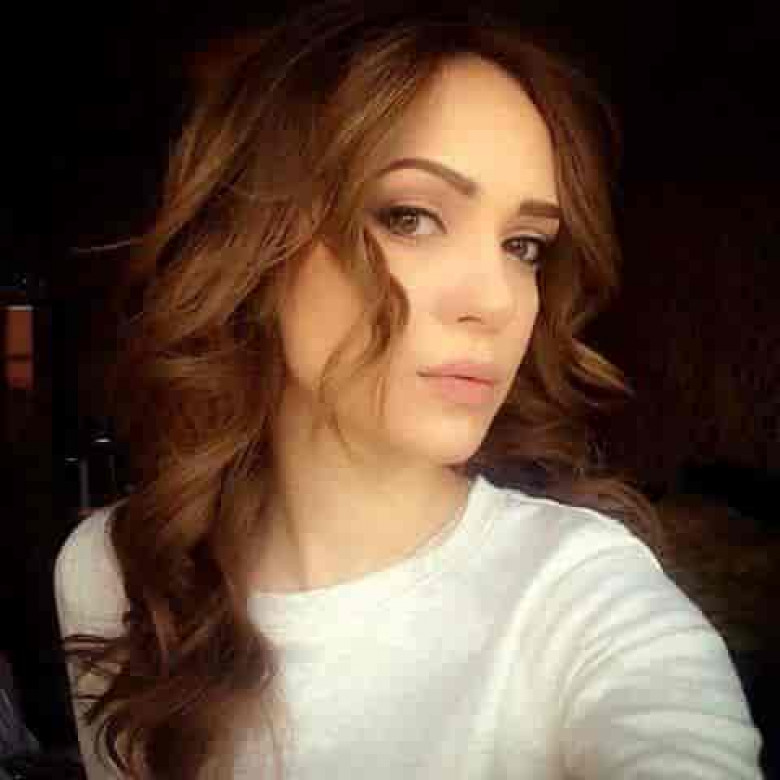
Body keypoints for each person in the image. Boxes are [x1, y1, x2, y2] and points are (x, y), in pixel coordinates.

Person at [53, 1, 766, 778]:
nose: (496, 300)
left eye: (525, 245)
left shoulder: (579, 594)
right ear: (256, 244)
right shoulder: (109, 573)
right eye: (412, 217)